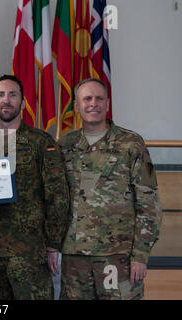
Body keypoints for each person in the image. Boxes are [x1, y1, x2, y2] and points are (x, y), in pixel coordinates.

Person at [58, 78, 162, 300]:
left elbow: (149, 202)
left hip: (118, 257)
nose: (93, 104)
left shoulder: (132, 144)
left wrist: (141, 255)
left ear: (107, 104)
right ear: (76, 106)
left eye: (99, 98)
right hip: (74, 257)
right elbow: (55, 199)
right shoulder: (65, 145)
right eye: (87, 99)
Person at [0, 75, 70, 300]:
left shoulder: (41, 142)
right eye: (0, 95)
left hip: (29, 253)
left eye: (12, 94)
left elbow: (58, 197)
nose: (6, 100)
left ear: (23, 102)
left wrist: (52, 245)